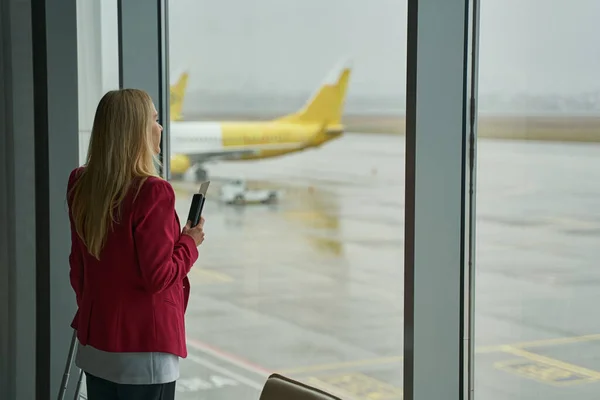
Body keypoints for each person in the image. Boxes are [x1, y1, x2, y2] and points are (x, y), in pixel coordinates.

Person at [67, 88, 205, 400]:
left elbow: (78, 267)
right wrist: (189, 242)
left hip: (96, 344)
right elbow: (158, 277)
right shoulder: (153, 191)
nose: (160, 128)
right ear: (135, 132)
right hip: (145, 351)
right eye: (154, 120)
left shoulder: (80, 182)